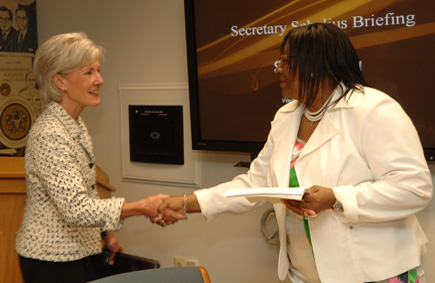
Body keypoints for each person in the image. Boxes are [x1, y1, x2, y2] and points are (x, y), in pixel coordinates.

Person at [156, 23, 433, 283]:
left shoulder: (372, 109)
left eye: (287, 61)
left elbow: (414, 187)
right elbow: (255, 184)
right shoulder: (287, 116)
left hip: (374, 272)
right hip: (306, 273)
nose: (278, 69)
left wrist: (336, 198)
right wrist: (183, 202)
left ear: (317, 66)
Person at [15, 32, 168, 283]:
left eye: (97, 71)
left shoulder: (75, 123)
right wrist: (140, 207)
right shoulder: (49, 133)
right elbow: (75, 209)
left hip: (82, 252)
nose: (100, 80)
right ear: (59, 81)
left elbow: (85, 190)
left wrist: (105, 232)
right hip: (50, 260)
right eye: (89, 73)